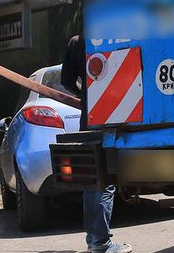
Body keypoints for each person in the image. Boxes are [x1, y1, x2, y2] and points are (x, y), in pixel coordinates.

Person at [61, 35, 132, 253]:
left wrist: (85, 95)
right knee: (106, 180)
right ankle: (101, 242)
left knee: (92, 178)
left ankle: (94, 240)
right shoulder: (117, 34)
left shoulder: (76, 41)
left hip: (89, 116)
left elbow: (66, 80)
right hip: (114, 113)